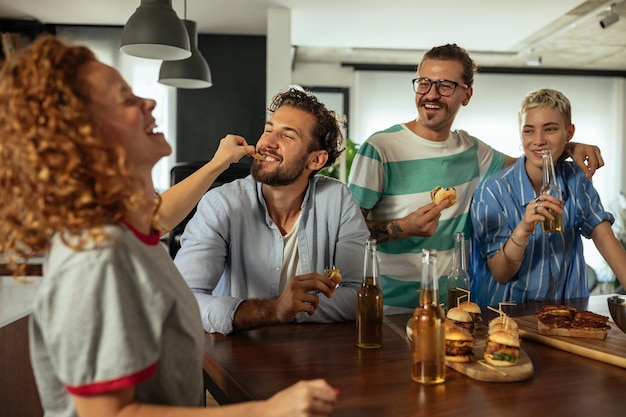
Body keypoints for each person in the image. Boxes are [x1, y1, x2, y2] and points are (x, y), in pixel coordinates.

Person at [0, 35, 337, 417]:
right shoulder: (96, 258)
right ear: (87, 137)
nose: (150, 101)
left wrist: (217, 164)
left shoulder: (123, 230)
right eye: (127, 100)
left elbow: (157, 216)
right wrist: (263, 411)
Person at [347, 43, 604, 314]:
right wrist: (404, 226)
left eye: (444, 85)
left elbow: (530, 162)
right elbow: (349, 234)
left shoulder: (472, 150)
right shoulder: (380, 148)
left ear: (466, 94)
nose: (431, 94)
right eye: (424, 83)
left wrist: (568, 146)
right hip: (390, 310)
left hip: (454, 309)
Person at [174, 87, 370, 335]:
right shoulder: (220, 205)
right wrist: (274, 310)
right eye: (268, 130)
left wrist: (291, 310)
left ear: (316, 160)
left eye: (287, 136)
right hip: (237, 358)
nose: (267, 143)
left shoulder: (337, 200)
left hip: (315, 360)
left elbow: (363, 295)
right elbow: (183, 300)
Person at [470, 88, 626, 307]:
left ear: (569, 132)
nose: (539, 140)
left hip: (565, 315)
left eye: (550, 129)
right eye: (529, 131)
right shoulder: (493, 191)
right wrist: (523, 228)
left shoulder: (576, 179)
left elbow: (604, 238)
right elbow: (500, 273)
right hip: (506, 318)